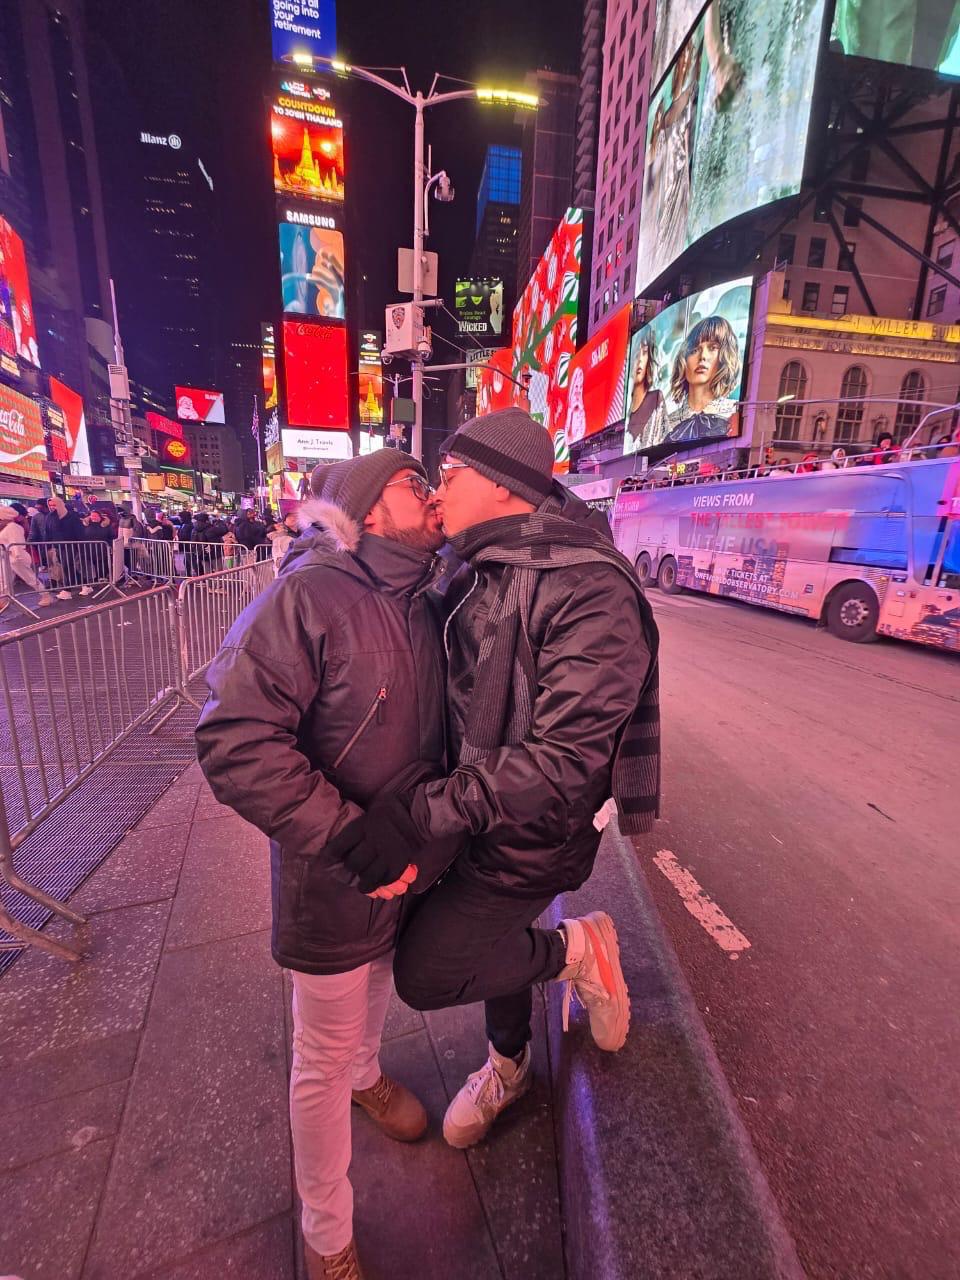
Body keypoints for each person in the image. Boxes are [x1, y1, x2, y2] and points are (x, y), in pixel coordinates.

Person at [336, 409, 661, 1152]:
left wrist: (426, 811)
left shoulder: (589, 588)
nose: (437, 493)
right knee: (484, 943)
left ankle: (579, 951)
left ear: (505, 485)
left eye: (449, 476)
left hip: (533, 833)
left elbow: (565, 759)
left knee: (428, 973)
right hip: (472, 815)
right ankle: (510, 1066)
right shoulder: (476, 565)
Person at [196, 451, 456, 1280]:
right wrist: (345, 837)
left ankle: (368, 1075)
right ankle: (327, 1231)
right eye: (415, 485)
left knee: (378, 987)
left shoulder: (427, 594)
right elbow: (234, 738)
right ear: (368, 511)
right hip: (335, 875)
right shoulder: (308, 595)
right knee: (319, 1055)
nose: (433, 495)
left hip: (405, 865)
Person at [663, 315, 741, 446]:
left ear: (725, 355)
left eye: (712, 348)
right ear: (684, 359)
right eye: (694, 350)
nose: (702, 356)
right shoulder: (667, 424)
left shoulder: (736, 411)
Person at [0, 505, 53, 611]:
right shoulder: (9, 527)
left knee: (29, 578)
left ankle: (45, 595)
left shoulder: (13, 527)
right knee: (4, 579)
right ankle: (3, 599)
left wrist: (17, 555)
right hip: (9, 557)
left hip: (16, 557)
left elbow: (16, 544)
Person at [624, 333, 668, 452]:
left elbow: (665, 441)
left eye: (644, 352)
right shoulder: (625, 410)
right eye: (636, 355)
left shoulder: (656, 398)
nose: (639, 360)